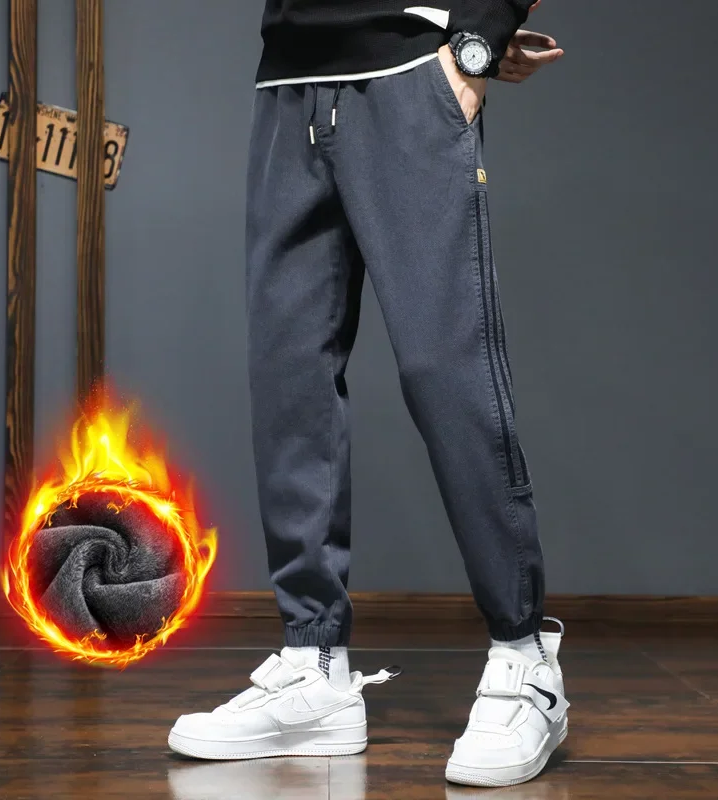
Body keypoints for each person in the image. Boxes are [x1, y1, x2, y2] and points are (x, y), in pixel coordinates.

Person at [169, 0, 566, 787]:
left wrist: (478, 39)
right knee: (290, 375)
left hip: (408, 71)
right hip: (287, 79)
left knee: (443, 367)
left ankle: (526, 657)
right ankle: (314, 664)